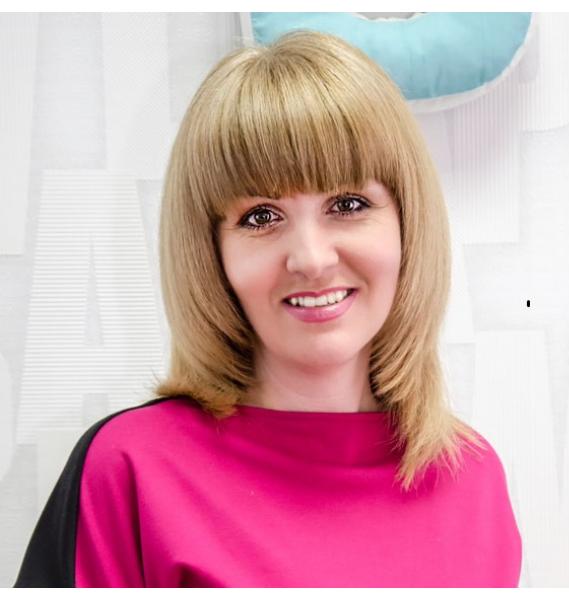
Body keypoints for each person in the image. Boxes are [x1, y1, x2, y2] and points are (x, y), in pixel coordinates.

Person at [13, 29, 522, 587]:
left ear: (407, 223)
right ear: (211, 252)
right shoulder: (130, 471)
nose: (312, 259)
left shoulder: (473, 481)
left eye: (348, 204)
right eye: (261, 217)